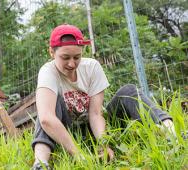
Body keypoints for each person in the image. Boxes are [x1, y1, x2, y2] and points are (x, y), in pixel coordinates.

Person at [31, 24, 176, 170]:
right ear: (51, 52)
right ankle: (41, 164)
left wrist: (103, 145)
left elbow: (95, 113)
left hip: (96, 129)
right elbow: (46, 119)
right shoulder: (47, 72)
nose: (72, 63)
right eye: (65, 57)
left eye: (77, 57)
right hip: (67, 133)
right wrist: (79, 155)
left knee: (129, 91)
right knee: (47, 108)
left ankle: (172, 134)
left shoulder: (92, 67)